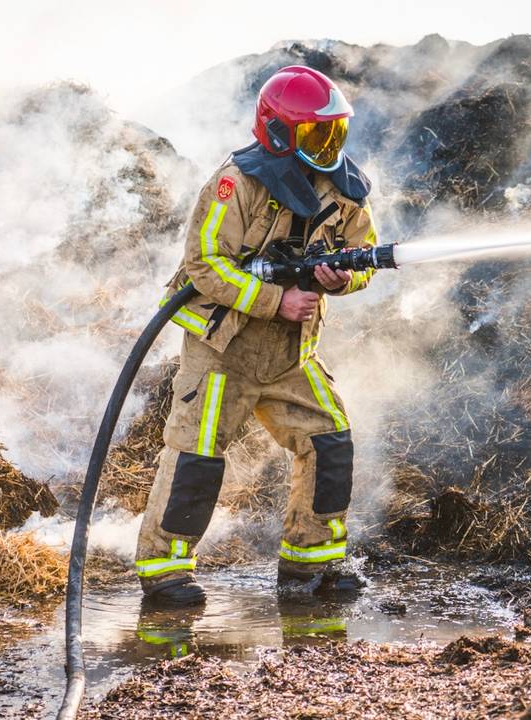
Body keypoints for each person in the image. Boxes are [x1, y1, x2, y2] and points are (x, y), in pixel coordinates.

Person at [133, 65, 381, 607]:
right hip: (226, 348)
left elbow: (363, 260)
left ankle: (310, 565)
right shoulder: (236, 183)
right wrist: (277, 300)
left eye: (335, 132)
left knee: (328, 438)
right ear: (278, 132)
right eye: (316, 133)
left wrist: (340, 279)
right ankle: (165, 572)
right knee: (197, 454)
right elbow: (203, 264)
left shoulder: (345, 191)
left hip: (293, 354)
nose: (329, 145)